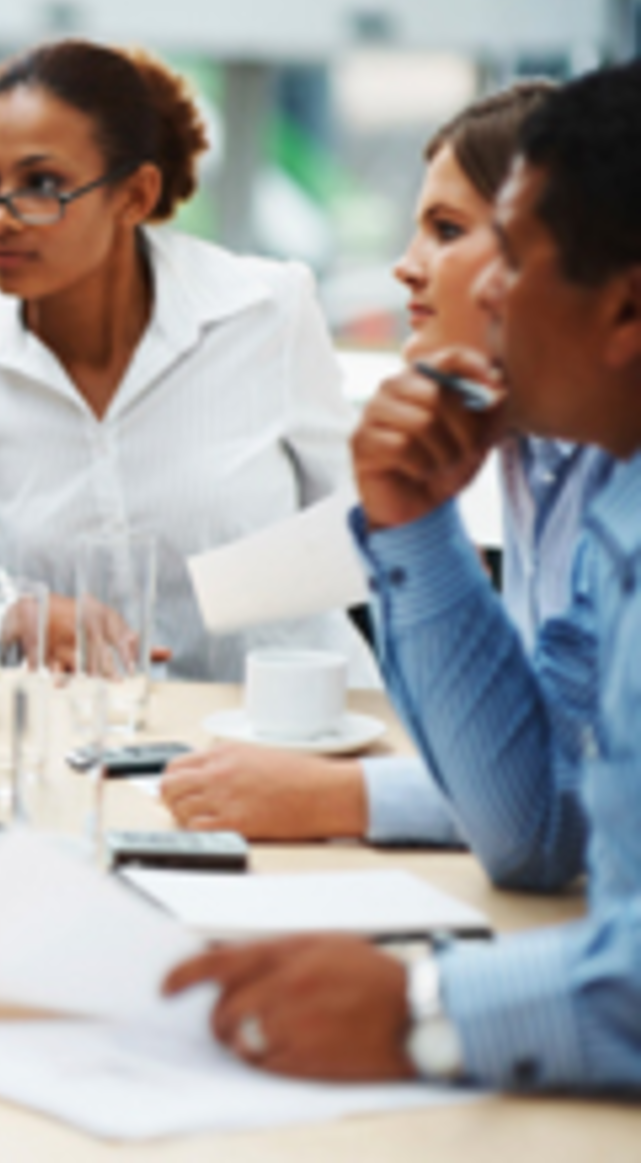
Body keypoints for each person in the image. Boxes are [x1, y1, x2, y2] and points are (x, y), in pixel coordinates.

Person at [168, 60, 641, 1090]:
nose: (484, 288)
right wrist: (413, 520)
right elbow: (537, 825)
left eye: (501, 247)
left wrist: (422, 1008)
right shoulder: (580, 467)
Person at [161, 80, 614, 845]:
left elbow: (568, 803)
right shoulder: (525, 446)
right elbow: (535, 777)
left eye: (446, 229)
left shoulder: (607, 467)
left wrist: (339, 797)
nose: (405, 268)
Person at [0, 38, 366, 682]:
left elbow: (366, 529)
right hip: (84, 747)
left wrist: (231, 591)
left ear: (135, 196)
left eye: (41, 184)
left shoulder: (267, 312)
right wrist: (16, 613)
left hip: (292, 728)